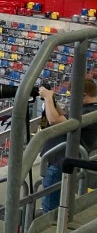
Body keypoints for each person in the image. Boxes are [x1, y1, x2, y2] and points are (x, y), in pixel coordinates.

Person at [38, 78, 97, 213]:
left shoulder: (89, 112)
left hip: (60, 165)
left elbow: (54, 121)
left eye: (72, 96)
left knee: (50, 211)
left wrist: (47, 98)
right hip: (59, 163)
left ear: (83, 95)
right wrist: (53, 101)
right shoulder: (87, 109)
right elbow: (66, 118)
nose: (71, 100)